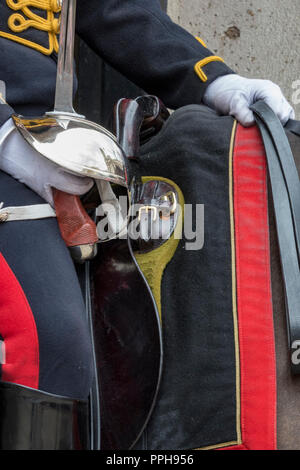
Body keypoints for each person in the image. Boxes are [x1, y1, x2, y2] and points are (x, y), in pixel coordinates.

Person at [0, 0, 295, 449]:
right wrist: (5, 139)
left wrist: (212, 78)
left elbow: (114, 7)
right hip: (12, 147)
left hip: (57, 147)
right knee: (48, 337)